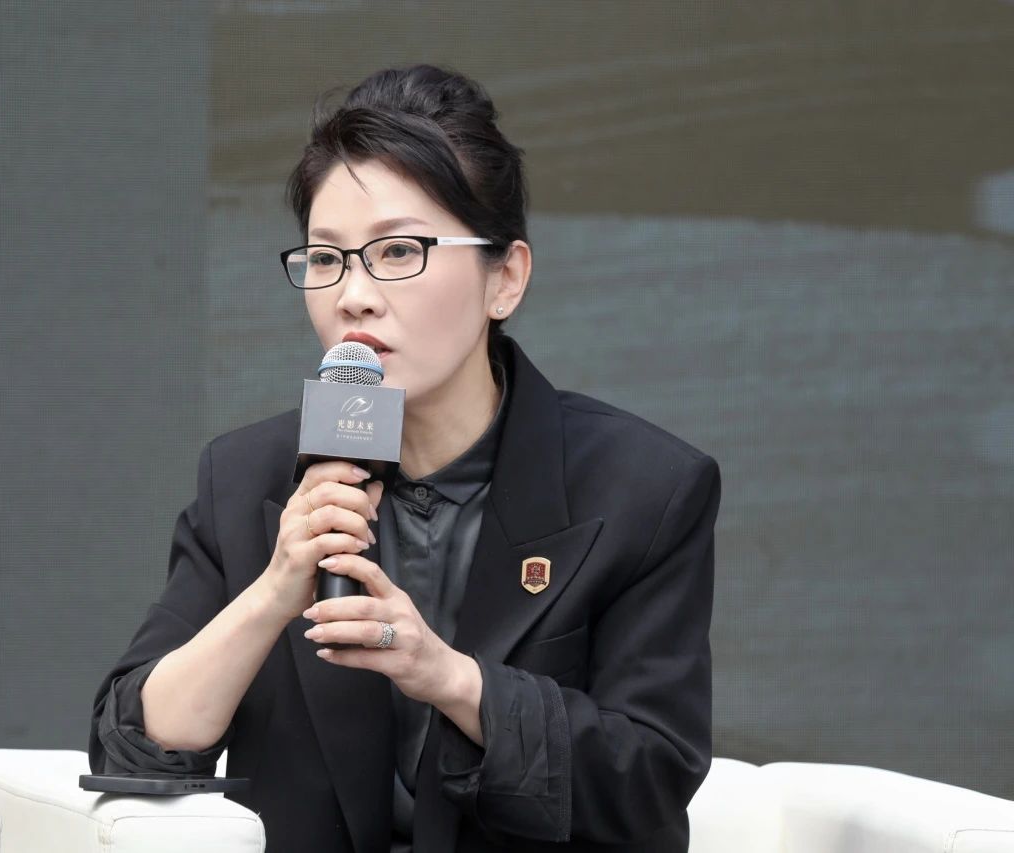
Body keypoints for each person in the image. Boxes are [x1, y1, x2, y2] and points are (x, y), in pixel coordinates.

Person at [90, 64, 720, 853]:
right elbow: (130, 750)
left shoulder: (642, 489)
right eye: (326, 259)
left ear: (505, 278)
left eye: (396, 251)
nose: (352, 294)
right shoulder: (247, 478)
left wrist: (452, 679)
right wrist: (274, 591)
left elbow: (650, 779)